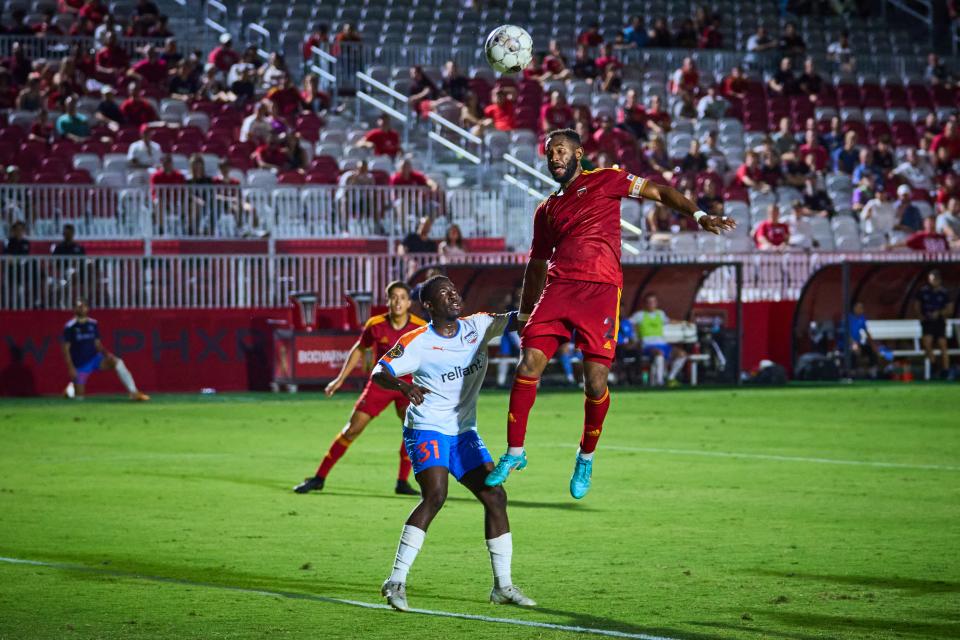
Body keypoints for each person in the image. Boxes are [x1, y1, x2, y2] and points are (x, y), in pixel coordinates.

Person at [483, 128, 735, 498]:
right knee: (528, 365)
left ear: (579, 153)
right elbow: (536, 265)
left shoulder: (607, 180)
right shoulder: (547, 209)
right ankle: (514, 453)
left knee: (596, 383)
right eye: (550, 152)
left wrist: (698, 215)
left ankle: (585, 456)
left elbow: (660, 192)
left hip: (600, 292)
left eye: (561, 151)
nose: (554, 157)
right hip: (558, 289)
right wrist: (524, 314)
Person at [373, 275, 535, 612]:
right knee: (435, 495)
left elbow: (521, 317)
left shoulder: (478, 326)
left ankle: (502, 586)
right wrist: (403, 387)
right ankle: (396, 581)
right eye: (443, 293)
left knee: (495, 496)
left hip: (464, 432)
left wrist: (543, 290)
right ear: (429, 305)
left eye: (454, 291)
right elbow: (379, 371)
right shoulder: (417, 341)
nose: (453, 296)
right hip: (427, 428)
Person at [294, 282, 425, 496]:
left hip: (407, 386)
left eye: (402, 297)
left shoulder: (420, 327)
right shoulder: (375, 324)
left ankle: (402, 482)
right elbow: (359, 349)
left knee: (412, 431)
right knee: (352, 429)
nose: (398, 301)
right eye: (394, 297)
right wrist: (339, 380)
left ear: (409, 302)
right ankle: (319, 478)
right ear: (388, 301)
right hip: (381, 384)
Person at [62, 299, 150, 401]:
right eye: (78, 306)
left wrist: (107, 354)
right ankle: (70, 389)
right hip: (80, 364)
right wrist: (71, 367)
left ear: (87, 308)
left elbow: (97, 344)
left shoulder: (93, 324)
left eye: (83, 306)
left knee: (117, 362)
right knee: (79, 398)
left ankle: (134, 393)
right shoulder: (70, 326)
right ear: (74, 309)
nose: (81, 308)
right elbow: (66, 349)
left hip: (95, 359)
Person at [632, 293, 687, 387]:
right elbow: (628, 324)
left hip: (662, 344)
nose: (651, 304)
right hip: (647, 345)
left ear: (656, 303)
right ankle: (659, 382)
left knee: (682, 354)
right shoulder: (639, 315)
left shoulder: (660, 314)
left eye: (653, 302)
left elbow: (669, 321)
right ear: (645, 304)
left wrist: (684, 322)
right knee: (659, 353)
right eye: (649, 302)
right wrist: (635, 338)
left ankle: (670, 378)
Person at [914, 270, 954, 377]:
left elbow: (950, 309)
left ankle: (945, 371)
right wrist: (920, 316)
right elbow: (917, 306)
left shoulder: (944, 292)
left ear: (939, 280)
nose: (931, 282)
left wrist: (939, 313)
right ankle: (934, 364)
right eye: (930, 279)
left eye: (933, 279)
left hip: (940, 322)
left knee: (943, 345)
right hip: (927, 321)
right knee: (927, 344)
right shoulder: (923, 291)